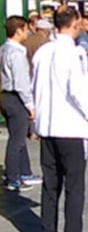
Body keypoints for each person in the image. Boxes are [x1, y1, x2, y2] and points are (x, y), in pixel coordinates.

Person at [32, 7, 88, 232]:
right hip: (70, 127)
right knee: (74, 185)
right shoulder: (73, 53)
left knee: (50, 184)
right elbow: (77, 89)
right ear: (74, 23)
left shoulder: (43, 52)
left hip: (47, 126)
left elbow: (35, 86)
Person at [1, 16, 41, 192]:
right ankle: (12, 177)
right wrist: (30, 104)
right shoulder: (16, 53)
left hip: (6, 96)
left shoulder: (4, 49)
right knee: (16, 141)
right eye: (25, 29)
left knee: (18, 136)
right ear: (18, 31)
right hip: (16, 97)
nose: (27, 32)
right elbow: (21, 82)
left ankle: (24, 171)